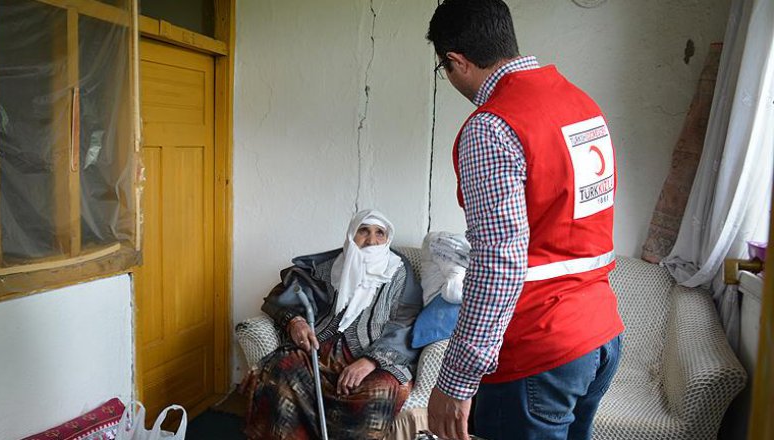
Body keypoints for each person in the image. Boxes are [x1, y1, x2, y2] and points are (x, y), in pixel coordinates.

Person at [424, 1, 625, 439]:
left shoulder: (492, 127)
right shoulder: (580, 103)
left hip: (539, 349)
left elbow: (500, 262)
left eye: (444, 68)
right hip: (600, 335)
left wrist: (457, 380)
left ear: (457, 61)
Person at [243, 209, 423, 440]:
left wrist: (370, 361)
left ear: (388, 238)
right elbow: (289, 291)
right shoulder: (330, 265)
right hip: (318, 349)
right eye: (363, 231)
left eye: (380, 233)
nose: (371, 240)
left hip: (371, 356)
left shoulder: (398, 271)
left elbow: (407, 323)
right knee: (281, 368)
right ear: (351, 234)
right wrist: (295, 322)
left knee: (380, 391)